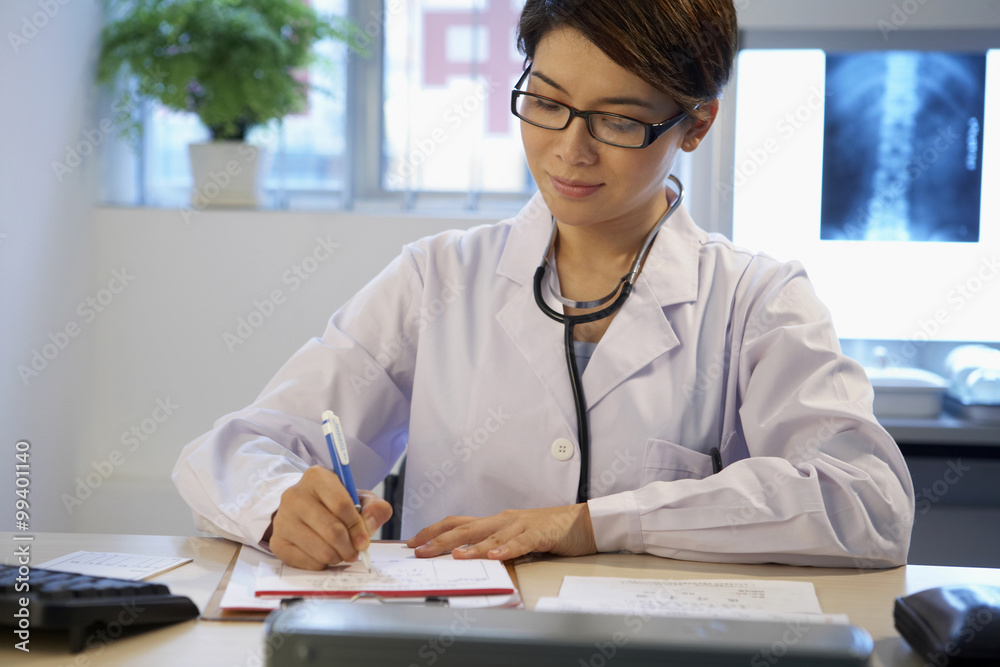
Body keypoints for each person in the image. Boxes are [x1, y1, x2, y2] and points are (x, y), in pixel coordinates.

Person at [173, 0, 914, 571]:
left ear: (695, 124)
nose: (570, 149)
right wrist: (280, 506)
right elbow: (231, 451)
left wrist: (593, 522)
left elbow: (869, 504)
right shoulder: (437, 278)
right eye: (548, 102)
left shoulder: (757, 300)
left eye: (619, 120)